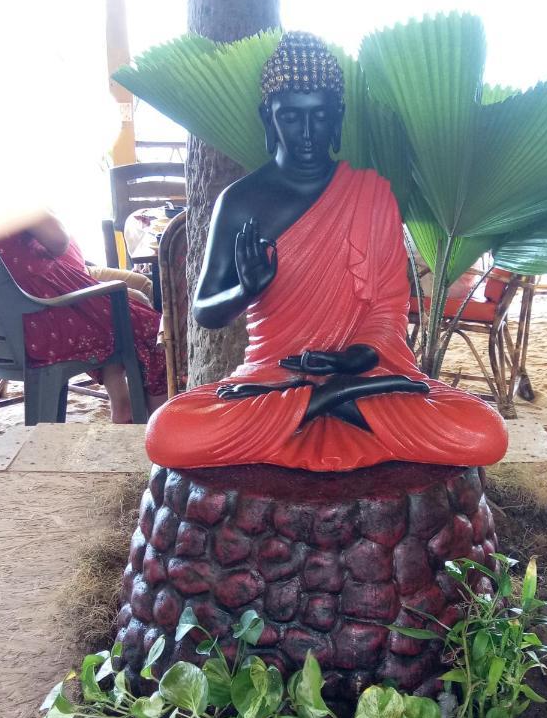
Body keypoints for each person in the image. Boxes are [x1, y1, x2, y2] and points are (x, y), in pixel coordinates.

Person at [146, 32, 507, 471]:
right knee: (168, 433)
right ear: (268, 117)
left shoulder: (371, 195)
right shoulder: (241, 201)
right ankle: (329, 402)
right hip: (273, 378)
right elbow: (206, 311)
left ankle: (322, 401)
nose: (307, 132)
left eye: (320, 116)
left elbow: (389, 309)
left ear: (337, 117)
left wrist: (360, 357)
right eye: (292, 116)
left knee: (485, 430)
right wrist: (243, 289)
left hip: (365, 378)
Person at [0, 213, 167, 422]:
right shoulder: (10, 199)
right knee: (150, 327)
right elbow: (59, 242)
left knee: (111, 316)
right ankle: (161, 426)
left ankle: (121, 403)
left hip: (4, 338)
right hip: (41, 325)